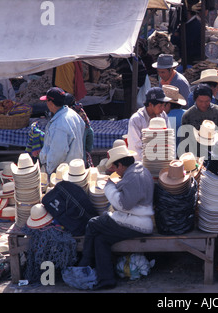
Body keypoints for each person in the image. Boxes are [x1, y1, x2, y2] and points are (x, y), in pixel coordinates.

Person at [78, 144, 154, 290]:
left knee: (93, 224)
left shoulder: (133, 177)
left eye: (115, 167)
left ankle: (85, 263)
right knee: (101, 239)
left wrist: (109, 187)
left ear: (121, 165)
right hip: (137, 220)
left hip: (136, 222)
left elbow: (122, 205)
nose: (115, 171)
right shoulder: (139, 170)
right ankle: (106, 280)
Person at [39, 87, 85, 175]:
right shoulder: (73, 114)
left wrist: (49, 170)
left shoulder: (59, 124)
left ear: (51, 103)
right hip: (75, 168)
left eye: (47, 101)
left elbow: (58, 152)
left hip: (63, 172)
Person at [127, 87, 171, 162]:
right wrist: (151, 163)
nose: (163, 109)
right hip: (141, 162)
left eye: (164, 105)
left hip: (161, 160)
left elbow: (168, 139)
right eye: (160, 106)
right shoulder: (136, 120)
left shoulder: (163, 116)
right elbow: (135, 148)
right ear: (150, 104)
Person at [65, 93, 94, 168]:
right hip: (82, 156)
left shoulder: (67, 114)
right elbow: (90, 133)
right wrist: (88, 150)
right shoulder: (81, 111)